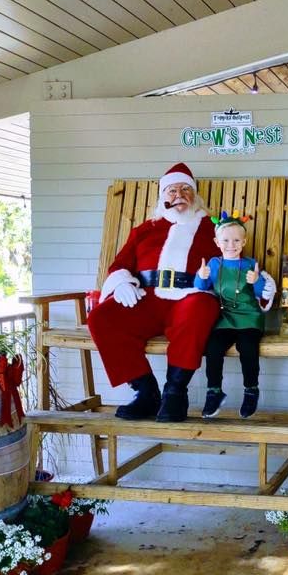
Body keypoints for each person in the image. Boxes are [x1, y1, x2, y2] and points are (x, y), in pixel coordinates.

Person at [87, 163, 220, 422]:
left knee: (200, 308)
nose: (179, 194)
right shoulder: (145, 230)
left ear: (195, 196)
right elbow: (120, 265)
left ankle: (175, 394)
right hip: (147, 297)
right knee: (101, 318)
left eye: (185, 189)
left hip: (191, 295)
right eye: (171, 190)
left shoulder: (213, 228)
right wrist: (123, 284)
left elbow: (233, 259)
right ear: (162, 197)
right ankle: (146, 393)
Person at [195, 212, 276, 418]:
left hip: (249, 317)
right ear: (217, 242)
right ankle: (214, 391)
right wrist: (201, 277)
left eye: (237, 240)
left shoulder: (249, 264)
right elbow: (202, 287)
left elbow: (260, 293)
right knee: (213, 347)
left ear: (244, 241)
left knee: (248, 347)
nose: (231, 245)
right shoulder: (214, 264)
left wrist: (256, 280)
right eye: (226, 240)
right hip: (225, 317)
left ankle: (251, 389)